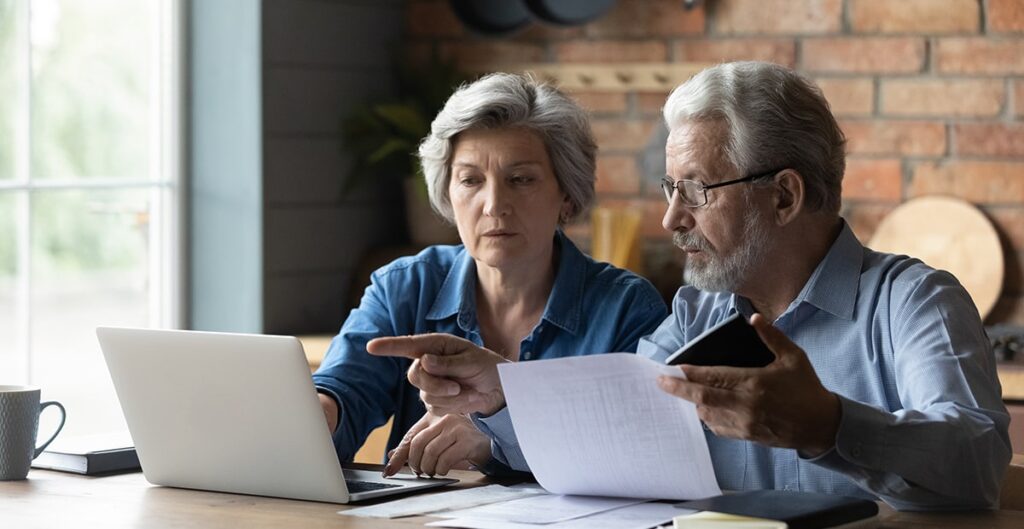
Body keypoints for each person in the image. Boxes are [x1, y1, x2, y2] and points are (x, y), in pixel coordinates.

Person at [370, 62, 1011, 511]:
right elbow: (615, 432)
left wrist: (828, 426)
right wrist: (504, 394)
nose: (673, 219)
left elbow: (978, 465)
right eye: (670, 190)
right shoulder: (694, 314)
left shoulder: (913, 301)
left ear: (784, 195)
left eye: (697, 191)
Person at [312, 72, 667, 477]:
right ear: (448, 193)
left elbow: (639, 453)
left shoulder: (627, 309)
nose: (494, 204)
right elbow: (344, 390)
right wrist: (319, 416)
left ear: (566, 195)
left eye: (520, 179)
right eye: (470, 180)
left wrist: (498, 439)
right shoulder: (405, 287)